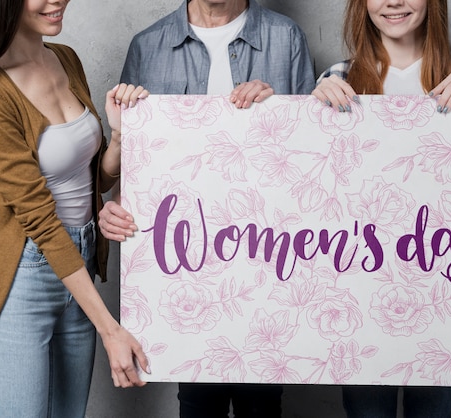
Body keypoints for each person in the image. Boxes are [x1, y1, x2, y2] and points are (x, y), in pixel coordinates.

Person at [97, 0, 316, 416]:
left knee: (263, 399)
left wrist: (276, 114)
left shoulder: (286, 38)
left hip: (267, 260)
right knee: (197, 399)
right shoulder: (147, 45)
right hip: (184, 263)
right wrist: (117, 205)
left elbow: (309, 157)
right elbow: (132, 162)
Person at [311, 0, 451, 417]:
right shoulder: (337, 79)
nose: (394, 2)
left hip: (443, 294)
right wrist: (312, 115)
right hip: (359, 300)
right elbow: (317, 200)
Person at [0, 0, 151, 417]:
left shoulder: (65, 58)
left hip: (81, 263)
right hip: (25, 276)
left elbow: (93, 179)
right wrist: (111, 329)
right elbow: (41, 222)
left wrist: (119, 137)